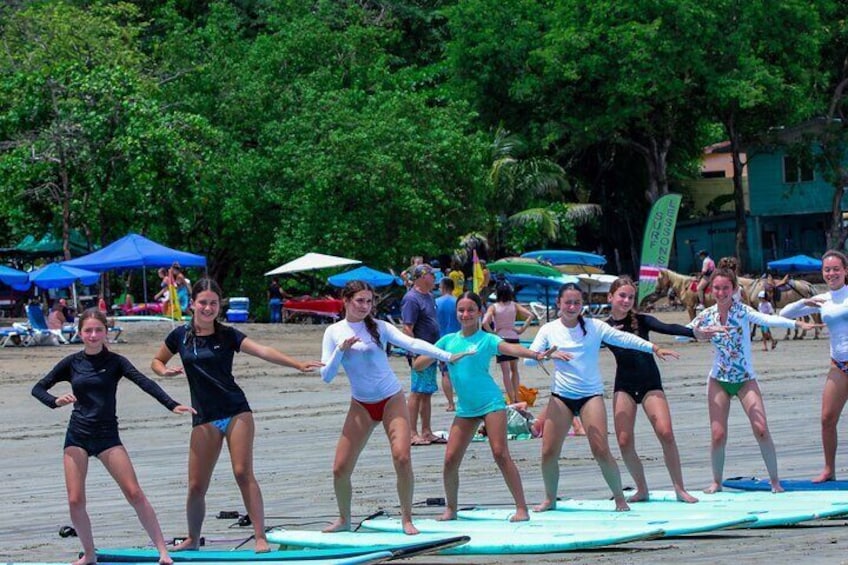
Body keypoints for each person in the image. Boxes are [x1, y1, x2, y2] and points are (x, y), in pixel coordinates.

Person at [151, 278, 322, 552]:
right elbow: (157, 361)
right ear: (192, 304)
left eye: (213, 303)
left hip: (235, 411)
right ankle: (192, 539)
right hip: (203, 416)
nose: (208, 308)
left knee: (243, 472)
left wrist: (296, 363)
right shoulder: (179, 336)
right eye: (203, 302)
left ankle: (260, 536)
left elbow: (262, 351)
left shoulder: (227, 334)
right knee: (196, 485)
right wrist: (163, 371)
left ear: (220, 306)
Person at [32, 308, 194, 565]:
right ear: (80, 333)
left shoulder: (116, 362)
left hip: (108, 436)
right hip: (77, 436)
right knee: (75, 499)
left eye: (98, 330)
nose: (93, 335)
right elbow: (38, 388)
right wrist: (55, 401)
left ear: (106, 332)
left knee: (134, 493)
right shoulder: (72, 363)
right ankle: (89, 555)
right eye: (88, 330)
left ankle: (163, 551)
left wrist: (171, 404)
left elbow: (144, 382)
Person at [320, 280, 472, 535]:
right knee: (340, 468)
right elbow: (326, 375)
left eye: (369, 301)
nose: (365, 306)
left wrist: (445, 356)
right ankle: (344, 519)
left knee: (402, 457)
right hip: (361, 404)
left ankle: (407, 519)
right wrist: (340, 350)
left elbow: (412, 344)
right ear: (345, 301)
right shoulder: (334, 332)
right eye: (359, 301)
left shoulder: (380, 327)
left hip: (391, 399)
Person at [527, 282, 679, 511]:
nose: (572, 306)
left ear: (582, 305)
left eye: (576, 302)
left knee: (600, 449)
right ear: (558, 303)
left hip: (590, 396)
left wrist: (654, 348)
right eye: (567, 302)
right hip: (561, 397)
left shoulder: (594, 326)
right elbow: (528, 360)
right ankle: (550, 499)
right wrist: (546, 355)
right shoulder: (548, 329)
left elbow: (625, 339)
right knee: (548, 452)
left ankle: (619, 498)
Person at [413, 291, 557, 522]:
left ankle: (522, 508)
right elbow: (418, 365)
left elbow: (512, 349)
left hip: (490, 403)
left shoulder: (487, 339)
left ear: (480, 312)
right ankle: (451, 509)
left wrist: (536, 354)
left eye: (471, 310)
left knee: (500, 453)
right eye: (461, 310)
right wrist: (445, 355)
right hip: (466, 409)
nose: (466, 314)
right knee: (450, 459)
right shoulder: (448, 340)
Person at [689, 268, 818, 493]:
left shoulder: (742, 311)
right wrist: (700, 332)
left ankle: (775, 481)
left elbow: (768, 319)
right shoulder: (706, 315)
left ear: (734, 289)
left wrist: (796, 325)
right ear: (712, 289)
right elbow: (683, 332)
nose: (720, 292)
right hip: (718, 380)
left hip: (745, 379)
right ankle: (716, 482)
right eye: (716, 288)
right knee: (718, 435)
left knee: (761, 428)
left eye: (725, 288)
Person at [605, 276, 717, 504]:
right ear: (610, 297)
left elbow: (669, 327)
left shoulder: (642, 320)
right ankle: (642, 489)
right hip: (624, 385)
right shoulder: (602, 327)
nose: (626, 300)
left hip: (649, 383)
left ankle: (680, 489)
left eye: (630, 297)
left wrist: (695, 333)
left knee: (665, 433)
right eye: (622, 296)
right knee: (624, 441)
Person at [780, 250, 848, 483]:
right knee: (827, 419)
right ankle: (829, 469)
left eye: (836, 269)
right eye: (827, 269)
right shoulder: (824, 300)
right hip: (838, 365)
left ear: (845, 271)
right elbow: (784, 313)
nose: (831, 273)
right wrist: (804, 302)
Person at [402, 264, 443, 446]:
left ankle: (426, 431)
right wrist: (413, 350)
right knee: (417, 392)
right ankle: (412, 433)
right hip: (419, 351)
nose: (435, 278)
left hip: (431, 350)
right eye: (431, 275)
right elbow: (407, 327)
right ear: (422, 276)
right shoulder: (412, 298)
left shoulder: (429, 296)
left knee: (427, 392)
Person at [482, 282, 536, 404]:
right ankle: (516, 396)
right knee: (515, 369)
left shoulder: (494, 307)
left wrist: (493, 333)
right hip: (514, 337)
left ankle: (511, 399)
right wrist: (521, 329)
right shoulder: (514, 305)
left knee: (505, 372)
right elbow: (531, 315)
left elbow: (485, 321)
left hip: (501, 340)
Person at [435, 278, 461, 411]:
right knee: (462, 371)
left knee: (445, 374)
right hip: (459, 339)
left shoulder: (436, 302)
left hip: (442, 339)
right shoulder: (458, 302)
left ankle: (451, 403)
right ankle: (463, 400)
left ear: (443, 287)